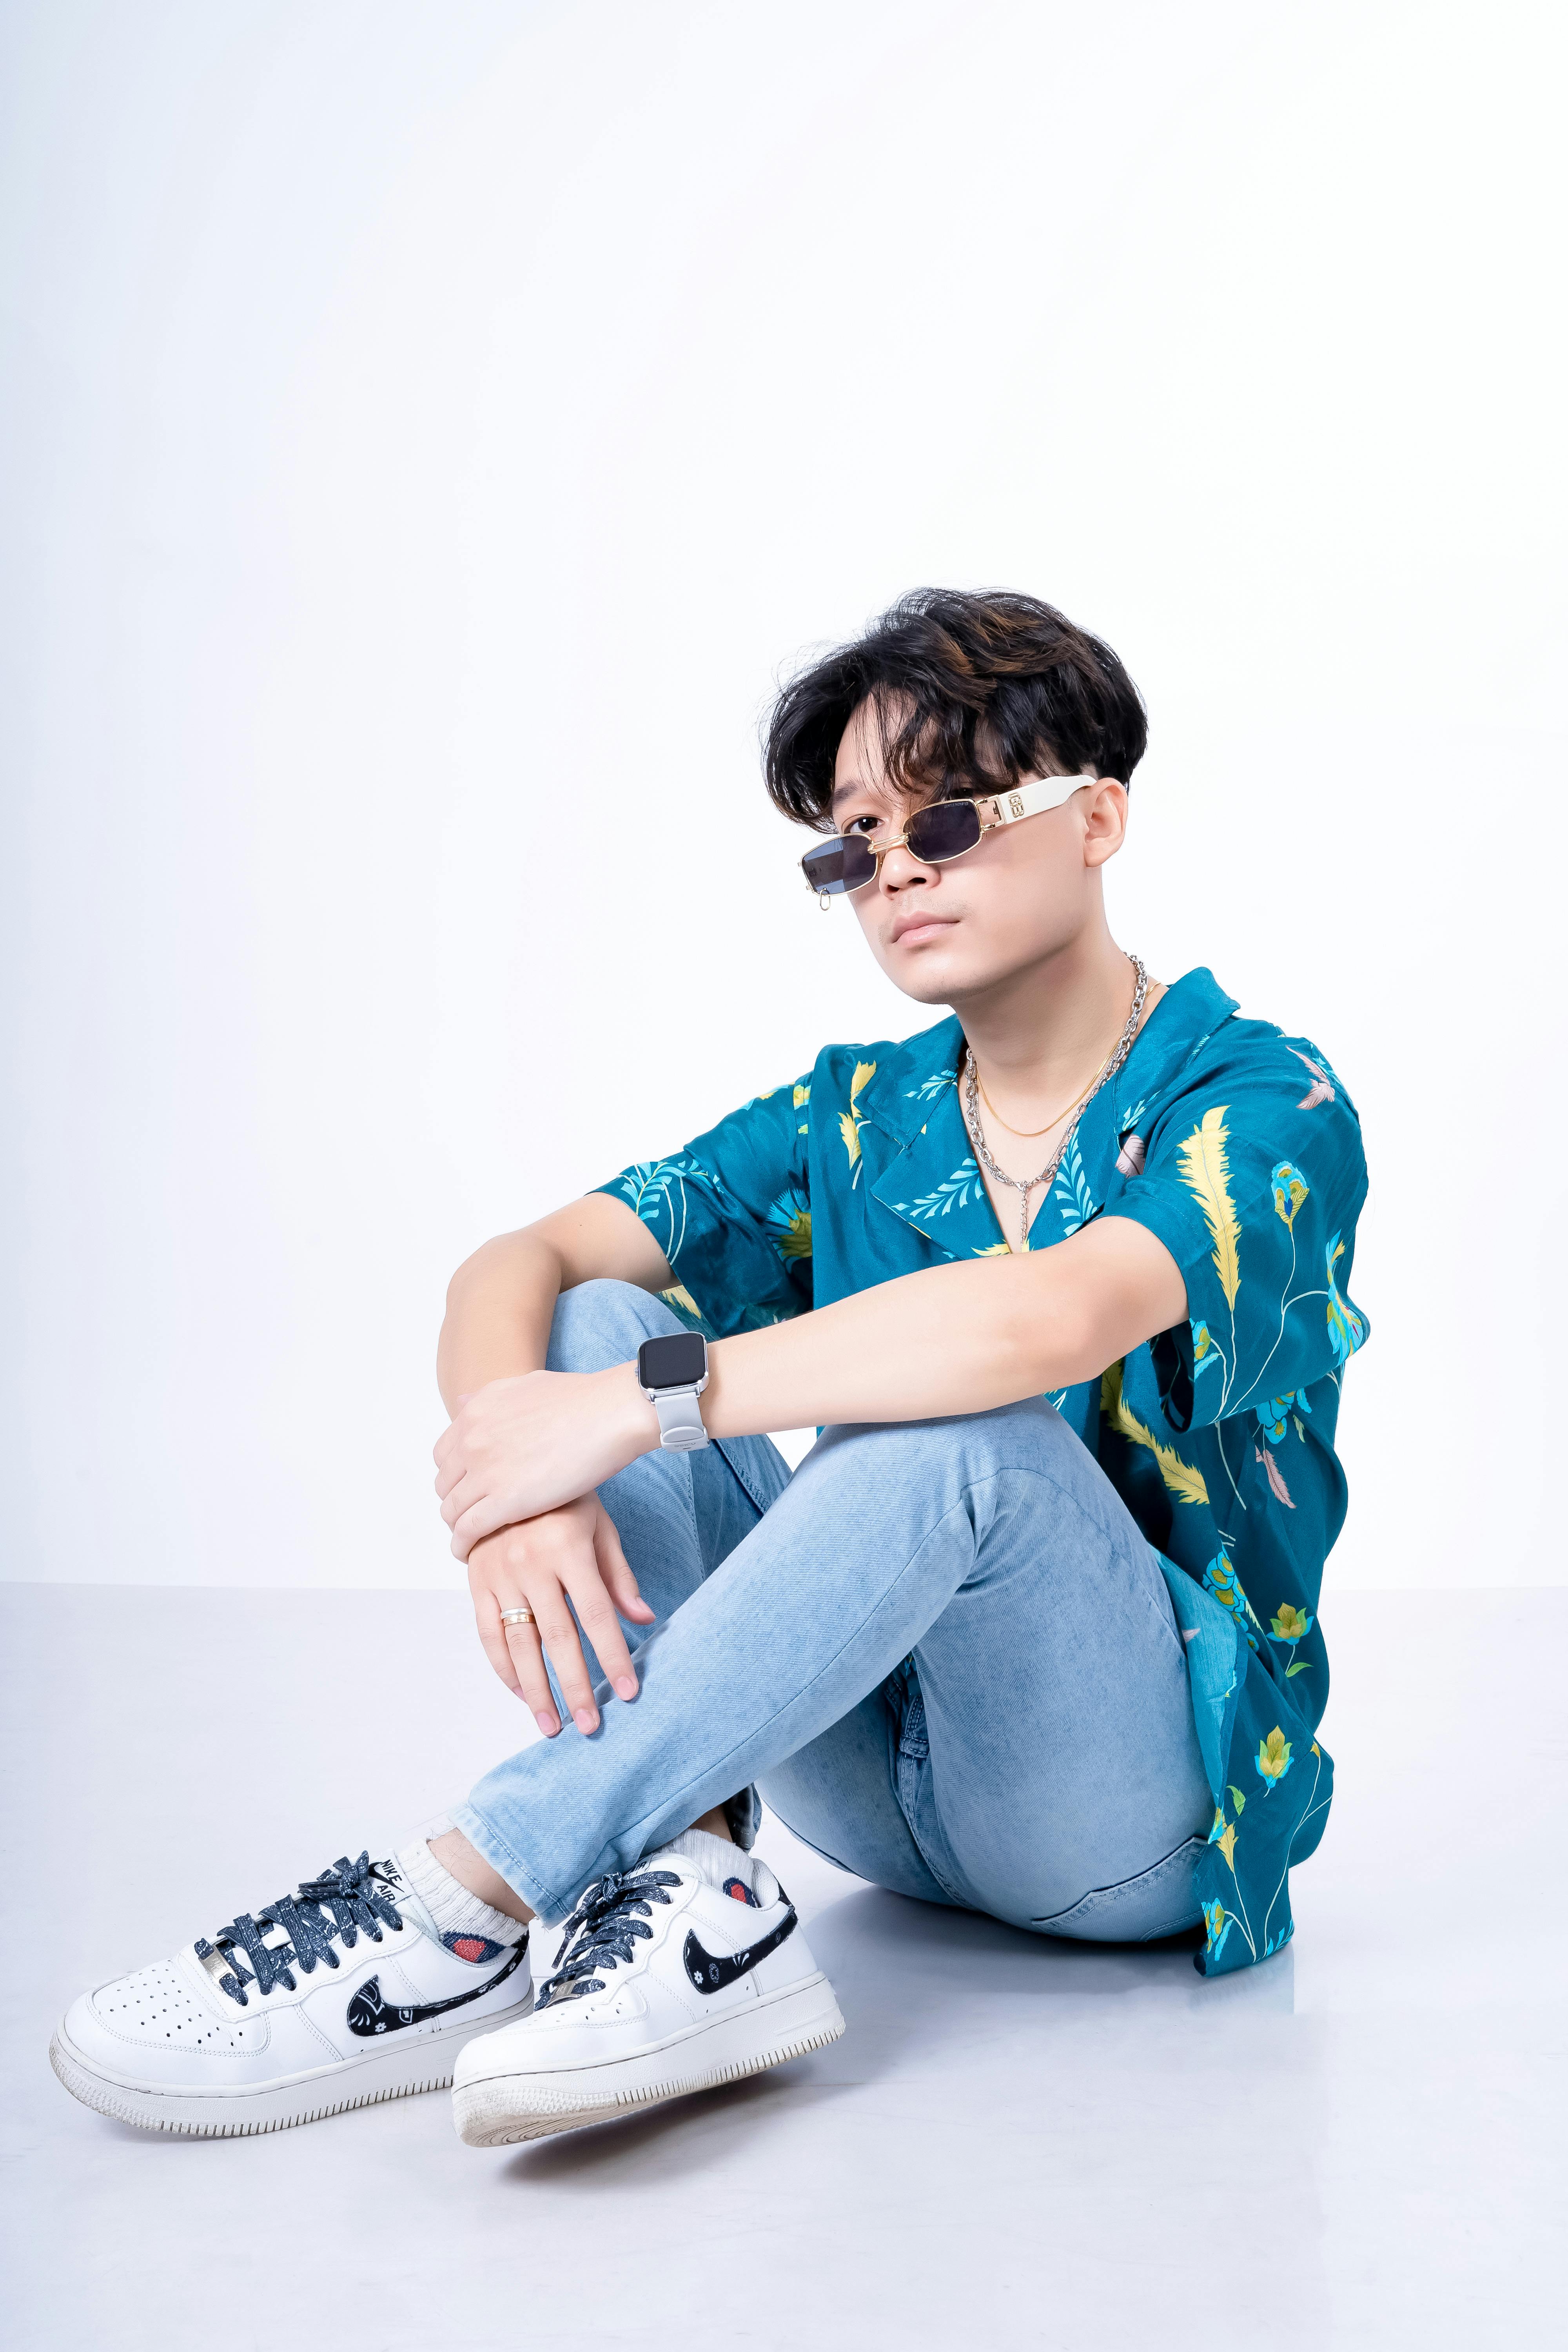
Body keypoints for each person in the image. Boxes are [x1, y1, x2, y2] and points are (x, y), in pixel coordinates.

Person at [51, 589, 1368, 2147]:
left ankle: (465, 1900)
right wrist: (521, 1486)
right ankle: (689, 1894)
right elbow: (516, 1266)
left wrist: (630, 1417)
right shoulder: (858, 1113)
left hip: (1127, 1825)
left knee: (955, 1432)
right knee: (593, 1323)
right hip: (862, 1791)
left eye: (946, 815)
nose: (896, 869)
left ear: (1098, 817)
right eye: (855, 841)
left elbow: (1045, 1322)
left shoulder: (1259, 1095)